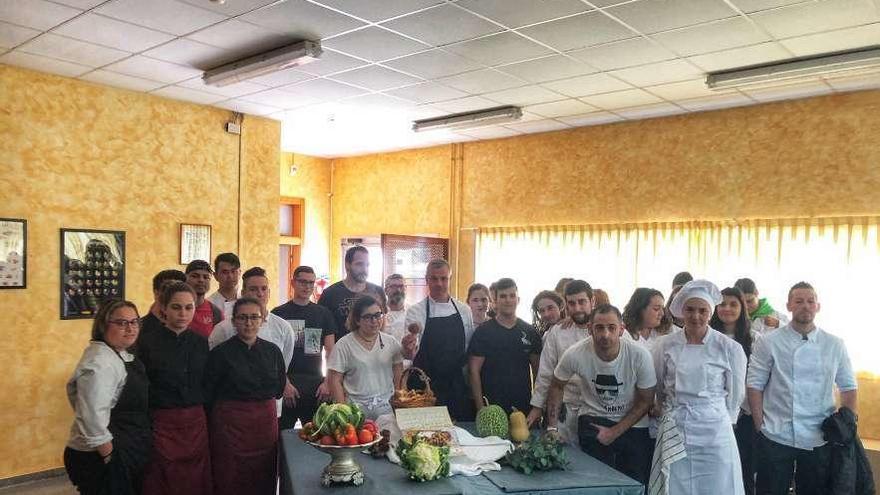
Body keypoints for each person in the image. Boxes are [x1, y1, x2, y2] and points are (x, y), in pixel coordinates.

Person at [747, 282, 857, 495]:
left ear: (818, 306)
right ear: (789, 305)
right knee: (769, 490)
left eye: (810, 301)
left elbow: (849, 387)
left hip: (820, 434)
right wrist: (760, 424)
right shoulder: (769, 342)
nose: (805, 306)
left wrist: (847, 427)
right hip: (776, 433)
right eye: (799, 301)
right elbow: (754, 384)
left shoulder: (834, 344)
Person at [653, 279, 748, 495]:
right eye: (690, 309)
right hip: (675, 425)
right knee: (676, 485)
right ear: (682, 311)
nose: (696, 316)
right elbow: (659, 385)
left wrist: (726, 419)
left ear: (710, 312)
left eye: (702, 310)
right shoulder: (665, 345)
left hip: (714, 429)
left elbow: (736, 394)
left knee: (719, 485)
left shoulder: (729, 348)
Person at [546, 304, 656, 484]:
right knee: (595, 483)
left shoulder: (640, 355)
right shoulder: (575, 353)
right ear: (590, 329)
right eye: (599, 328)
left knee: (635, 482)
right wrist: (552, 427)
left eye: (611, 328)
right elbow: (557, 385)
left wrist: (614, 432)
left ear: (621, 330)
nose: (605, 334)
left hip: (632, 422)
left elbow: (646, 400)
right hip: (594, 418)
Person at [64, 300, 151, 495]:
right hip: (99, 456)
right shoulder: (100, 362)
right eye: (121, 323)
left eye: (134, 322)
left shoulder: (119, 354)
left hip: (124, 447)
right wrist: (109, 455)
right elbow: (90, 417)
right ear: (104, 325)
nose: (130, 328)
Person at [205, 297, 286, 495]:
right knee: (230, 475)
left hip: (264, 425)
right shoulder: (219, 353)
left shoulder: (273, 351)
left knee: (264, 473)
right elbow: (209, 391)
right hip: (230, 425)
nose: (248, 323)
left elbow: (279, 388)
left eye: (253, 317)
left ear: (261, 320)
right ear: (233, 321)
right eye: (242, 318)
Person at [138, 281, 212, 495]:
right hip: (162, 422)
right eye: (176, 307)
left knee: (195, 479)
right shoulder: (146, 342)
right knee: (164, 479)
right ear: (163, 308)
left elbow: (206, 382)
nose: (183, 314)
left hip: (196, 421)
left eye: (189, 308)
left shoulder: (201, 342)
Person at [208, 267, 295, 419]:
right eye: (253, 289)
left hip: (269, 410)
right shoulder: (223, 329)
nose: (260, 293)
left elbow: (282, 368)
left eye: (264, 289)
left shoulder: (283, 328)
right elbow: (213, 373)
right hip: (230, 411)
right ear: (243, 292)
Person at [401, 259, 476, 421]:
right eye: (434, 278)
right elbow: (410, 353)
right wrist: (408, 346)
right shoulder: (416, 311)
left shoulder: (464, 310)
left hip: (456, 387)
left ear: (450, 278)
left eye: (443, 278)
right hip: (425, 389)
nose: (439, 283)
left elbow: (468, 347)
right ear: (427, 280)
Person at [528, 280, 594, 443]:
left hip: (597, 410)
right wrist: (537, 407)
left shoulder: (607, 328)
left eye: (582, 302)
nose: (577, 308)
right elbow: (545, 374)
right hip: (565, 409)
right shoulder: (557, 332)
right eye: (572, 303)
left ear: (593, 302)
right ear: (566, 305)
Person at [272, 265, 337, 429]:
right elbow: (274, 355)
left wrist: (328, 382)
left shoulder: (323, 314)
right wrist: (284, 384)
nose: (307, 286)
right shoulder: (279, 314)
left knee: (317, 436)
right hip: (287, 382)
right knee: (282, 437)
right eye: (302, 282)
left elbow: (331, 353)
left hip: (316, 386)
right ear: (293, 283)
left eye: (311, 282)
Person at [468, 278, 542, 415]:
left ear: (518, 300)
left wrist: (537, 407)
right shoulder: (483, 332)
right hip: (491, 407)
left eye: (512, 296)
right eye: (503, 296)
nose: (508, 300)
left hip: (523, 408)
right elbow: (473, 371)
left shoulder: (530, 332)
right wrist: (480, 409)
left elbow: (539, 373)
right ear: (494, 301)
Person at [710, 287, 756, 495]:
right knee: (717, 471)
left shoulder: (754, 339)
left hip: (745, 415)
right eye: (722, 304)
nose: (726, 308)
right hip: (713, 415)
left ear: (742, 308)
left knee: (743, 468)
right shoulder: (706, 336)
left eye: (733, 304)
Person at [327, 295, 404, 419]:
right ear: (357, 320)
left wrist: (400, 405)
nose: (374, 321)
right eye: (368, 317)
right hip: (355, 412)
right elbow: (334, 380)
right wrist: (343, 412)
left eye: (378, 315)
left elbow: (399, 376)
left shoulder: (391, 342)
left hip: (386, 410)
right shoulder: (344, 344)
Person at [318, 246, 386, 340]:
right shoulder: (330, 294)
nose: (364, 269)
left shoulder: (378, 291)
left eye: (367, 265)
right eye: (359, 264)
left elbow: (383, 324)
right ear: (347, 265)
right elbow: (322, 330)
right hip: (342, 352)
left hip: (374, 351)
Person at [184, 260, 223, 339]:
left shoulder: (216, 313)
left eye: (206, 277)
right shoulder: (174, 309)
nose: (201, 280)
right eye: (195, 276)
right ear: (185, 278)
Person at [141, 269, 186, 335]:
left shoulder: (191, 331)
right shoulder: (137, 330)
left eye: (180, 290)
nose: (174, 295)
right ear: (156, 293)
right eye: (168, 290)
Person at [207, 253, 241, 318]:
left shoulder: (247, 299)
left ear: (239, 273)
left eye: (233, 271)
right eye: (225, 272)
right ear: (215, 276)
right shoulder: (210, 303)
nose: (230, 276)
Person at [382, 274, 408, 343]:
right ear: (385, 290)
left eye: (401, 286)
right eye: (393, 286)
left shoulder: (413, 311)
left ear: (406, 289)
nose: (398, 290)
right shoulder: (379, 312)